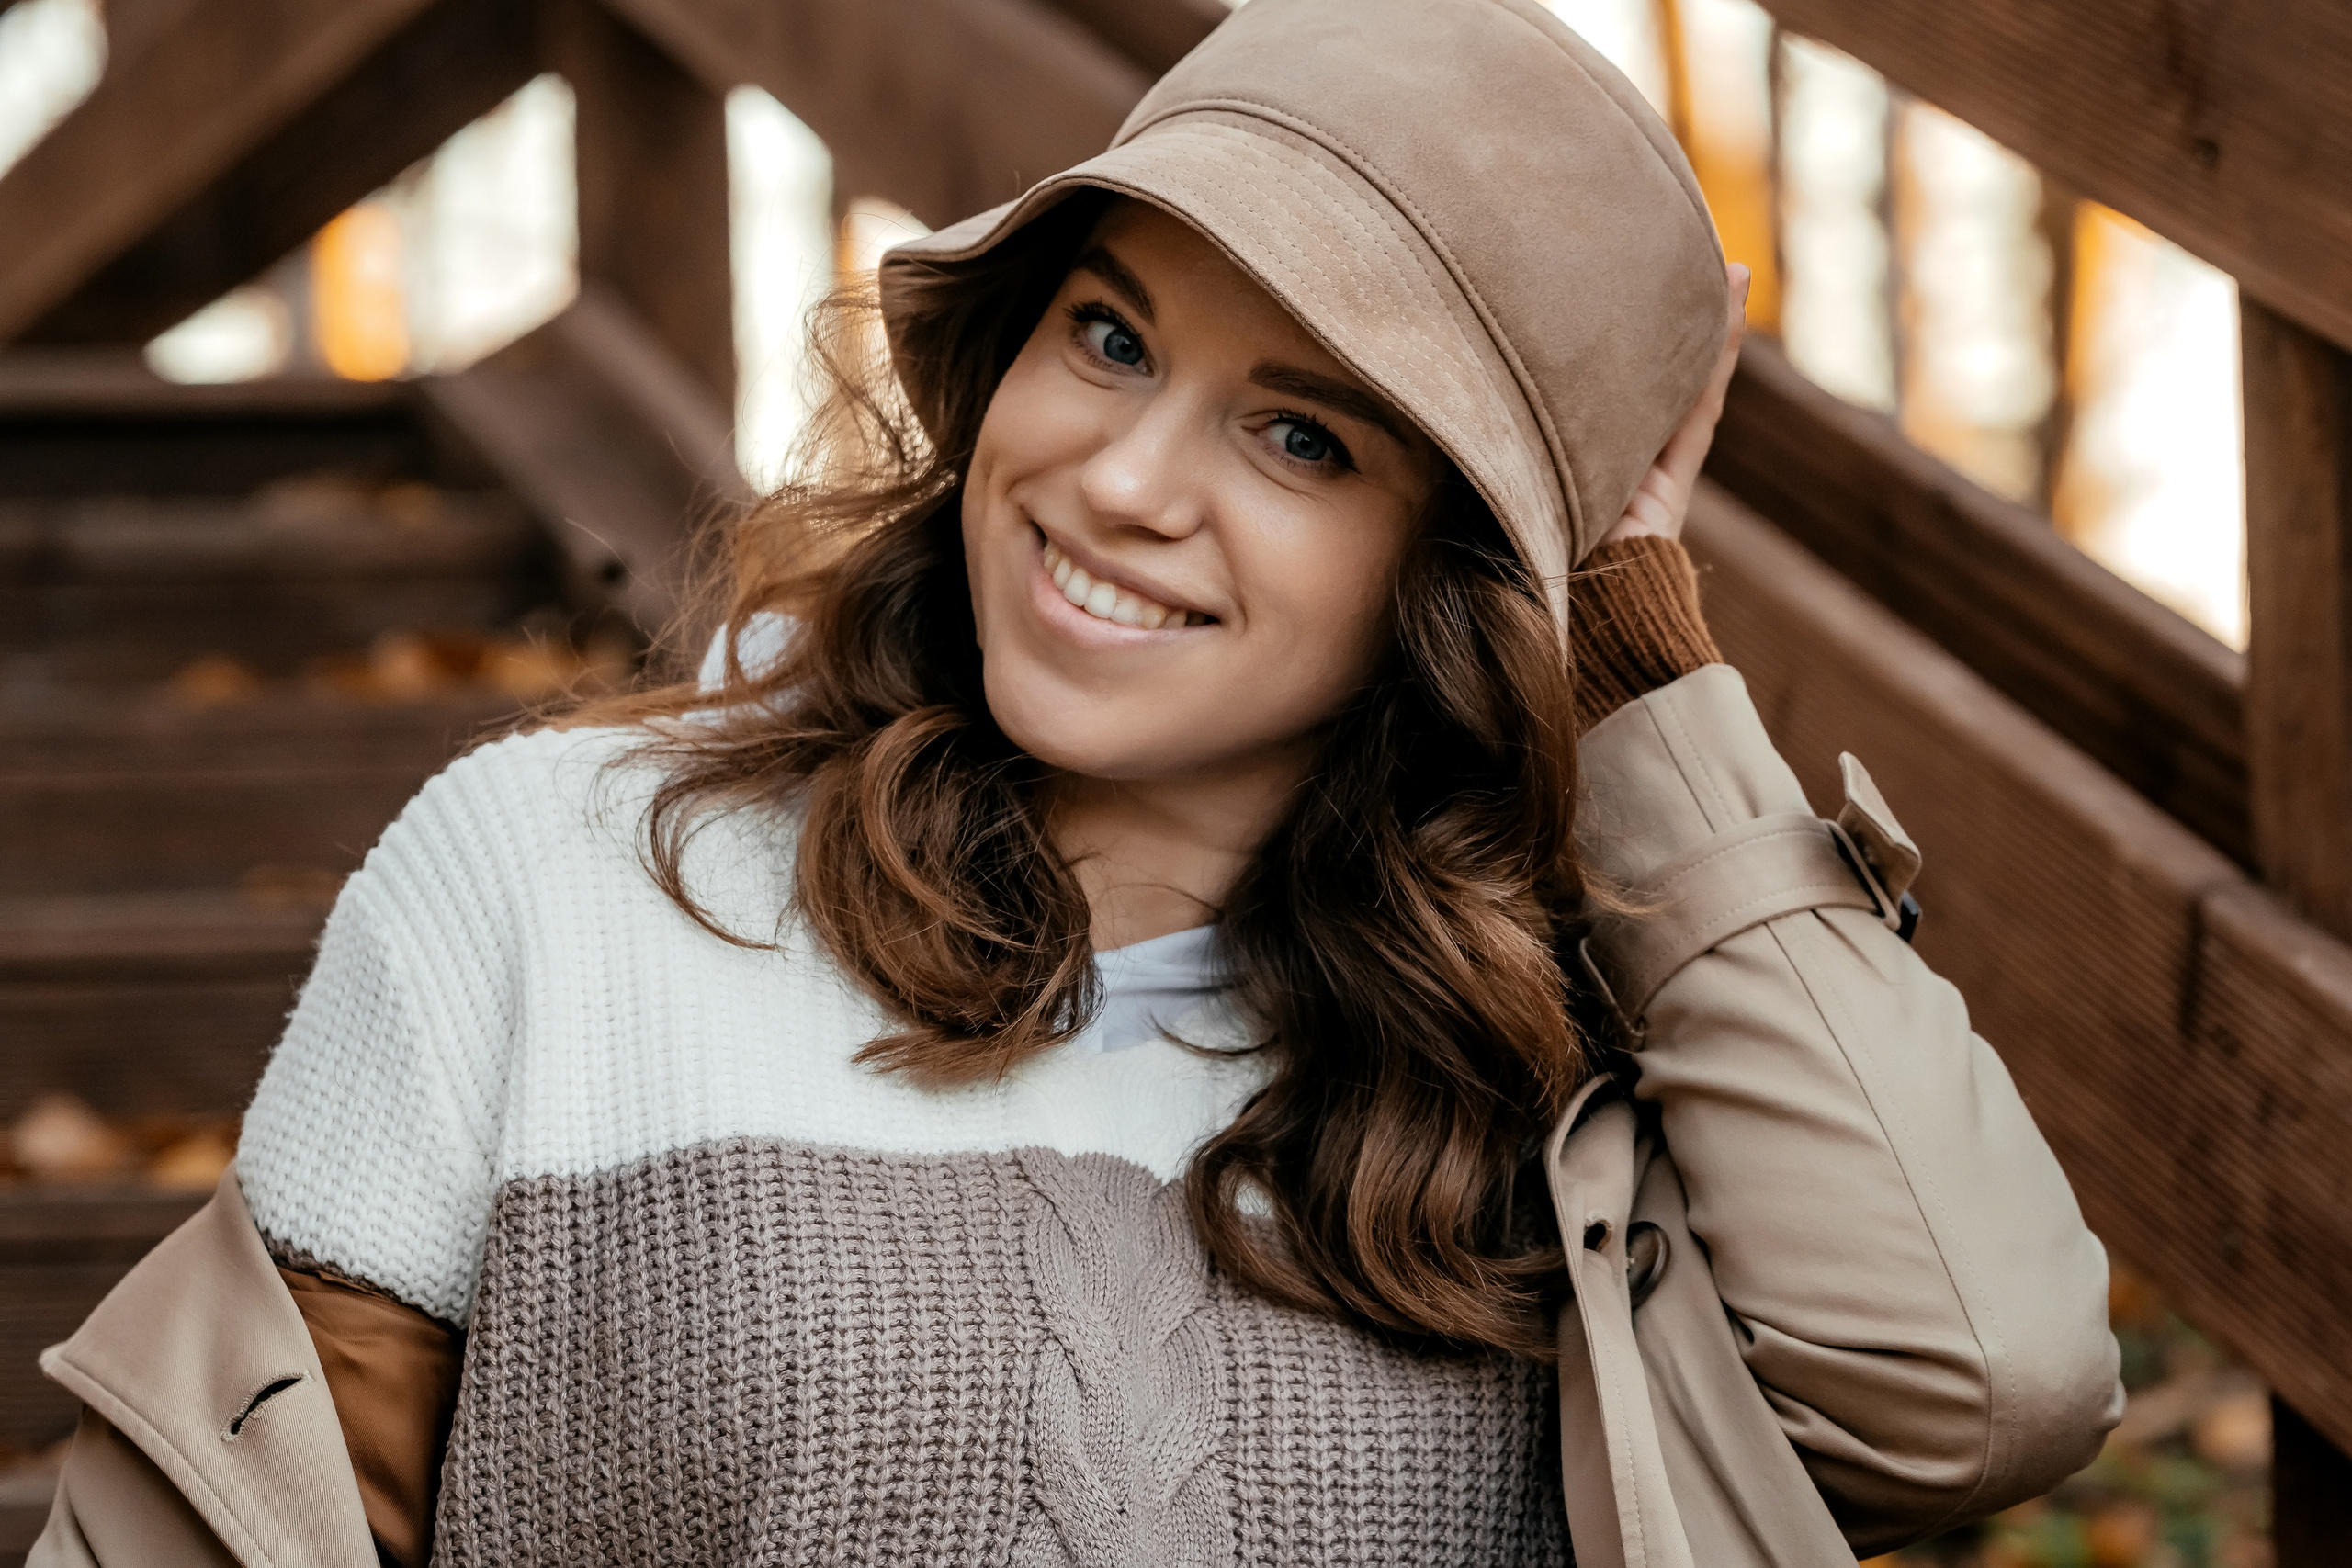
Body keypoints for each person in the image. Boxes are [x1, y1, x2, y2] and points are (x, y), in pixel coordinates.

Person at [30, 0, 2122, 1562]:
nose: (1117, 482)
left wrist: (1638, 671)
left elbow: (1979, 1386)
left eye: (1302, 438)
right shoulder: (552, 881)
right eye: (1110, 337)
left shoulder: (1565, 1073)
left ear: (1460, 572)